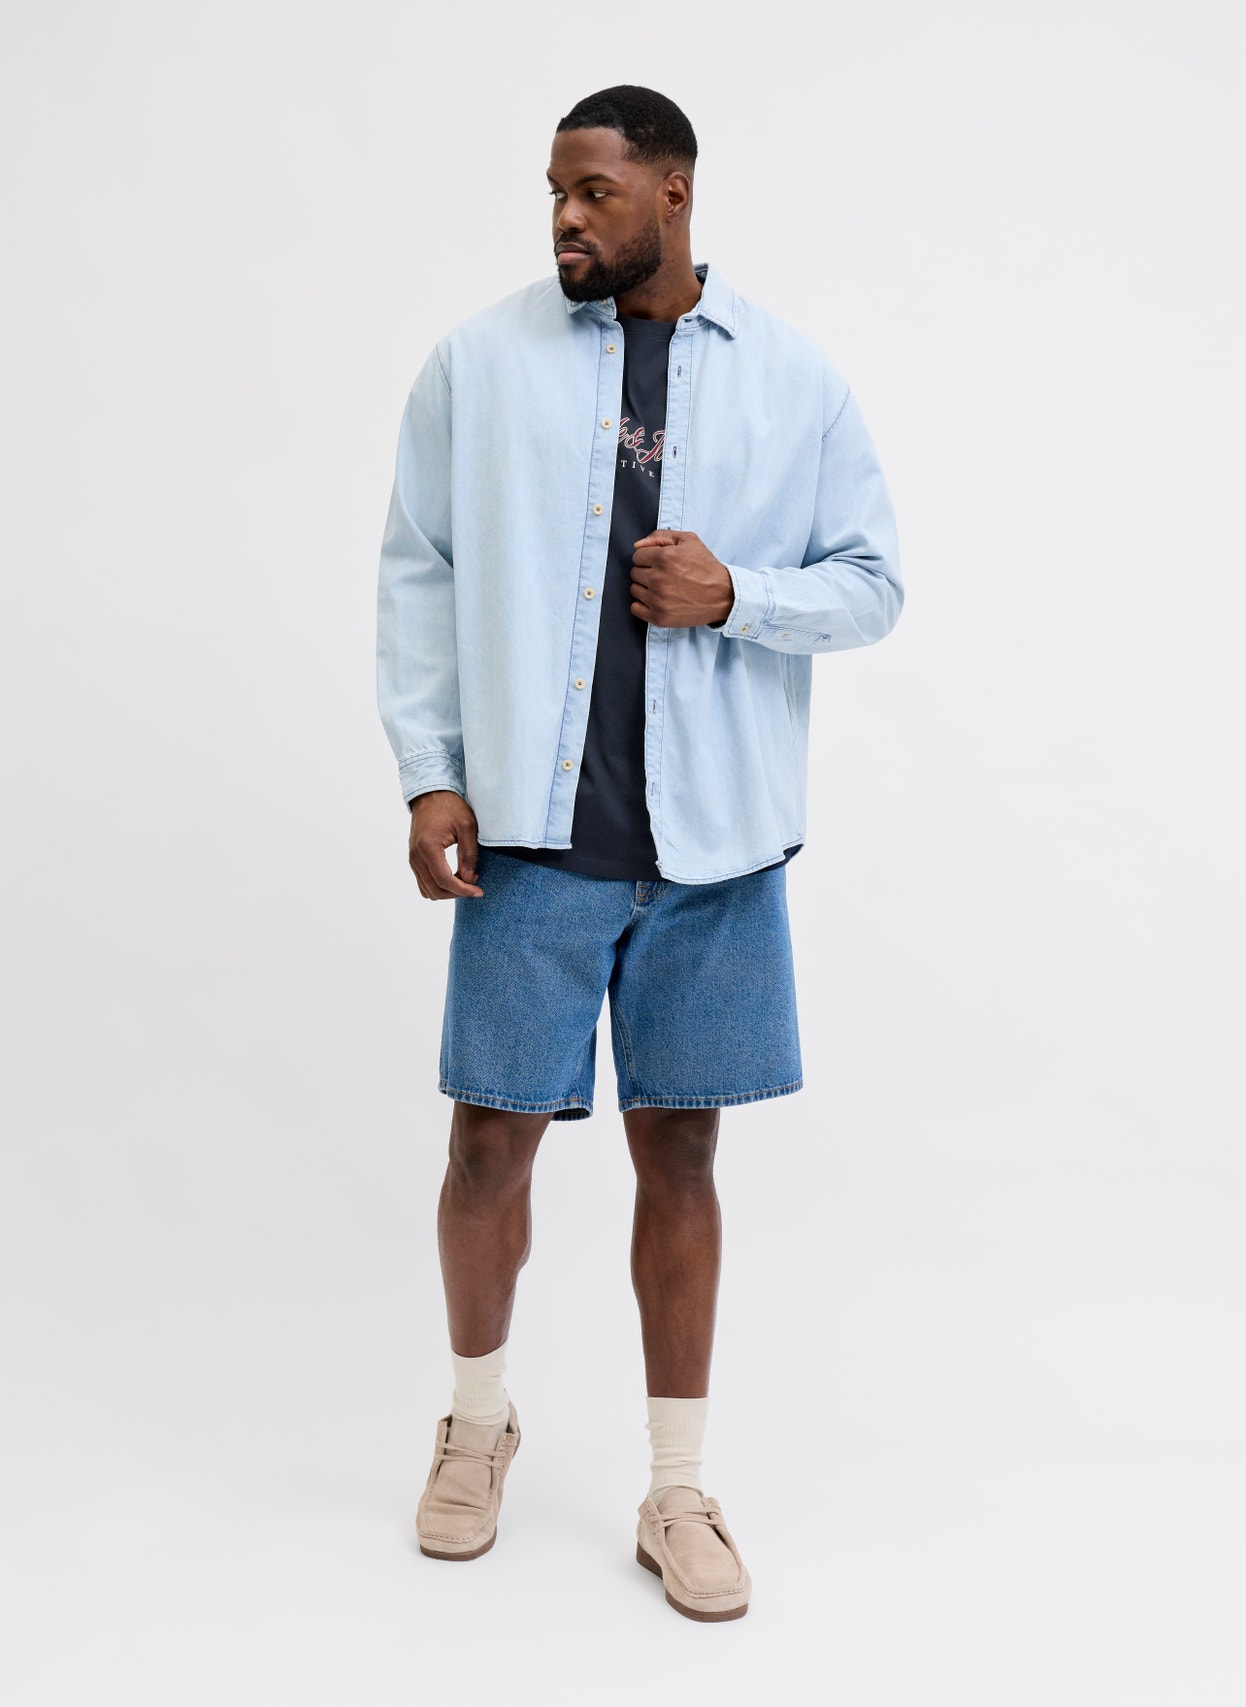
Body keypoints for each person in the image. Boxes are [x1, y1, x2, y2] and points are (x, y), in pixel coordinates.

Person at [375, 84, 902, 1622]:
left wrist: (739, 596)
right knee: (488, 1148)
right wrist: (430, 775)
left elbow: (873, 584)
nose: (564, 216)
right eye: (554, 189)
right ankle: (478, 1426)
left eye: (594, 191)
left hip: (714, 849)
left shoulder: (792, 378)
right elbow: (418, 571)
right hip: (533, 845)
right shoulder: (478, 364)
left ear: (672, 192)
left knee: (682, 1154)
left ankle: (677, 1489)